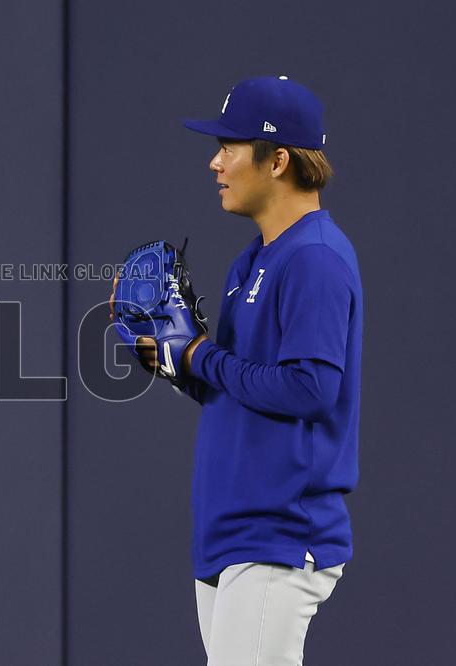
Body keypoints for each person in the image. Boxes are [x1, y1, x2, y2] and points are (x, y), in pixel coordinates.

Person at [130, 76, 362, 664]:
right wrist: (176, 363)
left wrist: (198, 353)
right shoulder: (252, 259)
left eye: (229, 146)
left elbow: (310, 390)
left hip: (279, 533)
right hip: (233, 533)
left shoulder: (314, 258)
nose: (215, 162)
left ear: (278, 159)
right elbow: (241, 384)